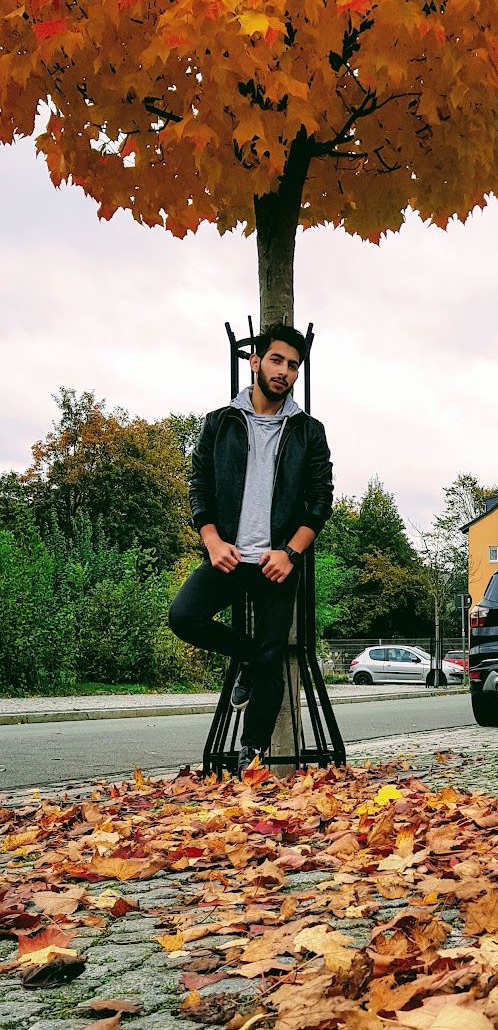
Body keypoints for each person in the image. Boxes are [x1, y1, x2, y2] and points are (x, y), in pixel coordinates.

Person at [168, 323, 333, 772]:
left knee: (272, 654)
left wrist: (291, 553)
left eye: (294, 365)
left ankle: (252, 755)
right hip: (227, 556)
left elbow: (321, 501)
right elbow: (199, 487)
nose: (285, 372)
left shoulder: (307, 431)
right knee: (184, 616)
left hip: (275, 562)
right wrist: (211, 539)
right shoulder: (220, 423)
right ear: (255, 361)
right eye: (277, 360)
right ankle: (245, 657)